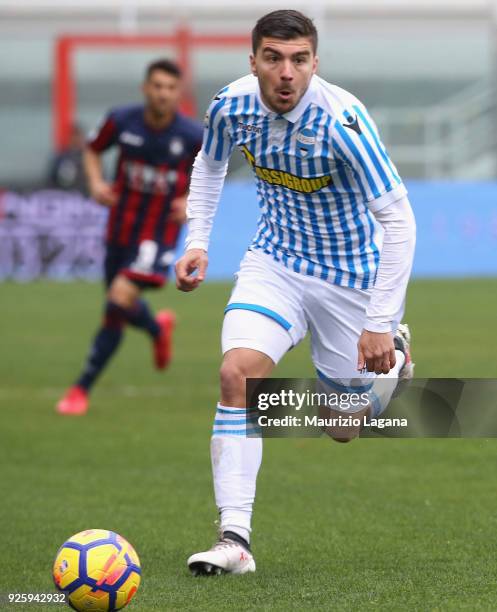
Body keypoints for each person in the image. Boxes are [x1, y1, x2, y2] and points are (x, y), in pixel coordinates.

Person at [175, 10, 416, 575]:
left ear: (315, 62)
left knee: (341, 425)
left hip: (349, 278)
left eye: (300, 59)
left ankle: (395, 359)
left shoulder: (344, 121)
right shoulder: (229, 105)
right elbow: (208, 167)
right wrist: (198, 241)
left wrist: (379, 322)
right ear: (253, 60)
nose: (287, 73)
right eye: (275, 59)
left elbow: (400, 222)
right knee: (239, 374)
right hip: (274, 263)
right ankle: (235, 540)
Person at [57, 59, 203, 416]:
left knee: (116, 303)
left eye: (170, 88)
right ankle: (156, 328)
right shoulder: (121, 120)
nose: (163, 93)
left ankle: (80, 389)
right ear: (145, 88)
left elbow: (212, 171)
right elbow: (92, 149)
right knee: (118, 301)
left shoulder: (191, 135)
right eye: (157, 86)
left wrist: (189, 200)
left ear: (178, 93)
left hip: (158, 231)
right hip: (120, 226)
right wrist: (95, 182)